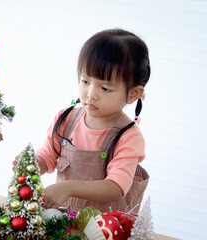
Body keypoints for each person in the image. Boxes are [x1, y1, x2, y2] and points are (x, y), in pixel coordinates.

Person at [13, 28, 150, 213]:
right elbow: (48, 156)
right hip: (66, 222)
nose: (91, 95)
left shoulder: (128, 136)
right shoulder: (66, 120)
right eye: (85, 82)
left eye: (105, 88)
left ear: (133, 93)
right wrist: (32, 164)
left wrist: (67, 187)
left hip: (106, 229)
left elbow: (116, 186)